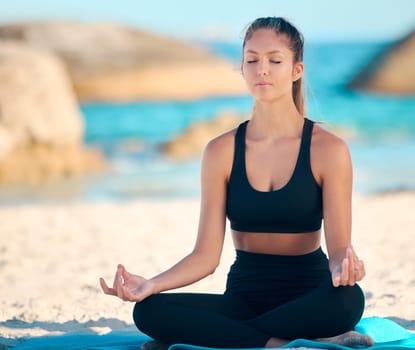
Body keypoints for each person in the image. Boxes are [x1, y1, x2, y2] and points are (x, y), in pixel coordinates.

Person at [100, 17, 374, 349]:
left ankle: (221, 337)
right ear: (242, 68)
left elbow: (338, 252)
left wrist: (346, 269)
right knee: (149, 311)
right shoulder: (220, 151)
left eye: (275, 60)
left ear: (296, 70)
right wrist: (151, 285)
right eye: (252, 59)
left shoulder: (329, 150)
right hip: (244, 297)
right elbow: (205, 256)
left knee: (349, 300)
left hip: (310, 296)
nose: (262, 70)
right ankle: (281, 342)